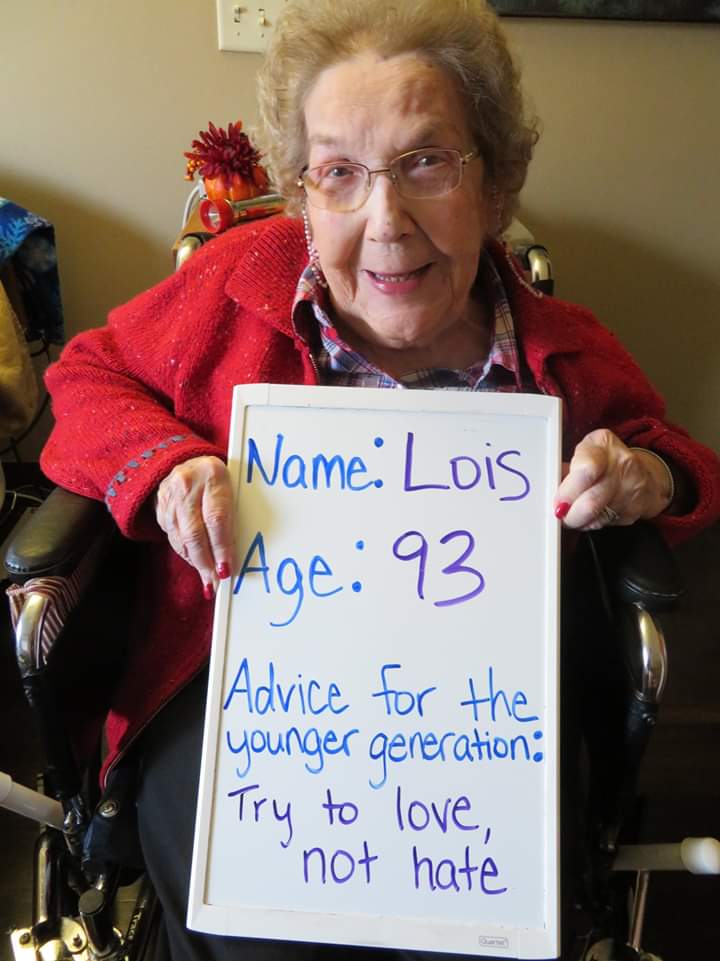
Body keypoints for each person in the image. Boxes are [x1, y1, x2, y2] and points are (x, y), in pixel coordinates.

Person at [40, 0, 720, 958]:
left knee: (474, 925)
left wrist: (643, 473)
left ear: (496, 182)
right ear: (302, 193)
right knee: (248, 909)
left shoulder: (562, 354)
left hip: (481, 717)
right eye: (340, 174)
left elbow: (679, 459)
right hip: (241, 696)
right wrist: (167, 466)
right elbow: (86, 375)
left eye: (427, 162)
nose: (386, 221)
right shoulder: (235, 286)